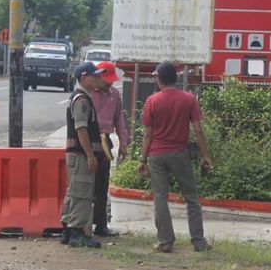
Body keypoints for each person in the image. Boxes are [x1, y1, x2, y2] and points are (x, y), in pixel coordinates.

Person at [136, 61, 212, 253]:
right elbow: (198, 130)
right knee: (191, 197)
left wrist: (142, 160)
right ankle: (198, 241)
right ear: (176, 78)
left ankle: (165, 241)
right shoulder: (189, 99)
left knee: (160, 197)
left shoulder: (152, 101)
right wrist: (205, 155)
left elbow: (147, 134)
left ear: (159, 79)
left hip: (156, 155)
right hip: (180, 154)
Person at [60, 62, 104, 249]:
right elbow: (81, 129)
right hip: (80, 155)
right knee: (82, 192)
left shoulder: (81, 98)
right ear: (84, 77)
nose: (98, 79)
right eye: (95, 76)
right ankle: (77, 232)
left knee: (74, 192)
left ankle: (68, 230)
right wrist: (90, 155)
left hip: (77, 154)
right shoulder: (82, 100)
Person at [90, 61, 127, 237]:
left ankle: (101, 225)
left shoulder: (115, 95)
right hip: (89, 141)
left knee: (102, 184)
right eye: (106, 80)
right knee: (86, 184)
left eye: (111, 80)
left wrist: (124, 144)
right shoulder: (88, 94)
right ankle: (81, 224)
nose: (109, 83)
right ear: (97, 77)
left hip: (106, 143)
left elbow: (120, 121)